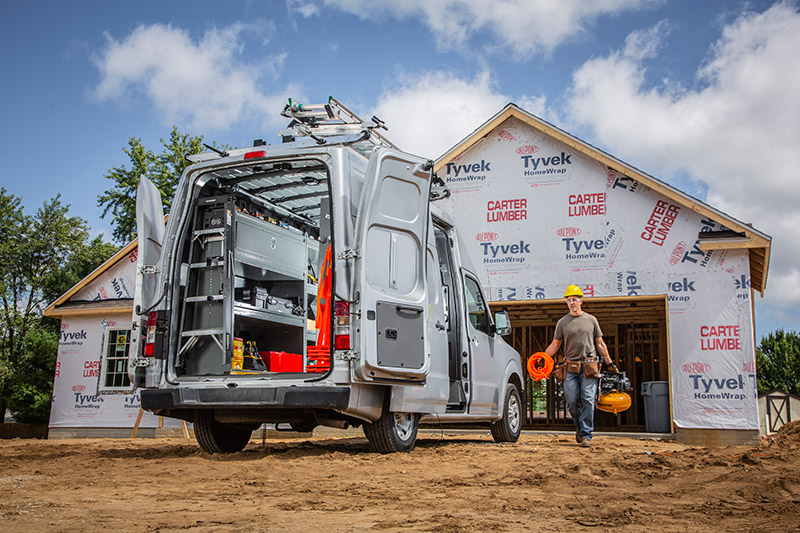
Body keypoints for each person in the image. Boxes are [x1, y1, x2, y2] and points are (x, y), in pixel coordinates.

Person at [544, 284, 614, 447]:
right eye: (568, 300)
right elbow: (555, 345)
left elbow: (600, 343)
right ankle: (580, 427)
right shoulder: (562, 323)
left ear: (581, 300)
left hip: (589, 367)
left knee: (588, 399)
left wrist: (610, 362)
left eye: (574, 299)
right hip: (570, 368)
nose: (571, 302)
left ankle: (586, 435)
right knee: (572, 401)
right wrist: (543, 358)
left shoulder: (591, 320)